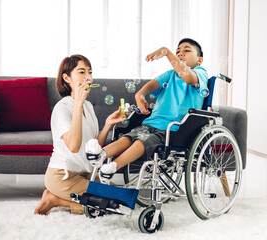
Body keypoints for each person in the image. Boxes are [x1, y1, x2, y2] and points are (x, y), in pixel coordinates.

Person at [85, 38, 208, 184]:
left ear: (199, 60)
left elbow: (188, 78)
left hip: (175, 128)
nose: (180, 53)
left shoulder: (200, 73)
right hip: (153, 121)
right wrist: (139, 95)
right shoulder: (171, 74)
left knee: (143, 140)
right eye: (177, 51)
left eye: (186, 50)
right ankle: (101, 155)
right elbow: (151, 85)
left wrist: (167, 52)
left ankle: (113, 166)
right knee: (129, 136)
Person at [34, 54, 126, 215]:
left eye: (90, 72)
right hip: (63, 176)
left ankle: (64, 198)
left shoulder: (88, 106)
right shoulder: (62, 108)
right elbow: (74, 146)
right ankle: (54, 199)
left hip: (86, 173)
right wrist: (77, 105)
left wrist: (107, 125)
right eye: (81, 72)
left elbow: (93, 146)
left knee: (123, 198)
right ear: (67, 78)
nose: (88, 77)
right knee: (116, 204)